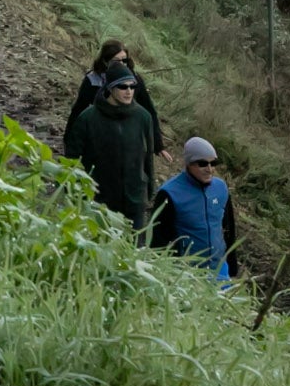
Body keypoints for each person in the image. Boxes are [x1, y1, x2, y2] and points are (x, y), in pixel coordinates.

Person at [62, 62, 160, 231]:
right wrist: (75, 194)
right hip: (100, 202)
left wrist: (149, 188)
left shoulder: (143, 117)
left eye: (132, 86)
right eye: (122, 86)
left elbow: (147, 156)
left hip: (134, 200)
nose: (129, 91)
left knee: (132, 252)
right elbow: (72, 159)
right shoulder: (88, 119)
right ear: (110, 88)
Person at [151, 136, 240, 283]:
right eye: (203, 164)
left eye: (213, 163)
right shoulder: (170, 193)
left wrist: (232, 267)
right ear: (189, 163)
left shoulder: (221, 188)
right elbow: (158, 240)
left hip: (219, 269)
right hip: (186, 273)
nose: (209, 169)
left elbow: (228, 228)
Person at [67, 39, 164, 149]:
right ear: (105, 61)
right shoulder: (93, 80)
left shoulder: (134, 80)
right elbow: (78, 110)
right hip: (98, 136)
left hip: (128, 136)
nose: (122, 65)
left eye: (124, 60)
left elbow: (149, 110)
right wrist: (69, 139)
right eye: (116, 61)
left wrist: (158, 144)